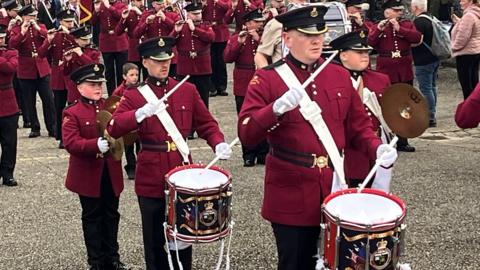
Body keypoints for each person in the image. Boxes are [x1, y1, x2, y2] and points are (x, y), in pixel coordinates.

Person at [237, 6, 398, 269]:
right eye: (307, 35)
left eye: (320, 34)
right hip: (290, 190)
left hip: (334, 187)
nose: (317, 41)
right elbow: (246, 133)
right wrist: (274, 109)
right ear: (287, 38)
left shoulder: (337, 75)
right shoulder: (267, 79)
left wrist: (377, 147)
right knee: (296, 262)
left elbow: (358, 127)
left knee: (339, 261)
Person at [107, 36, 232, 270]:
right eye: (157, 61)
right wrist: (138, 114)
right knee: (155, 239)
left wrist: (218, 143)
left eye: (167, 59)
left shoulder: (186, 89)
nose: (164, 65)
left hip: (182, 170)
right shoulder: (135, 95)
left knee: (183, 235)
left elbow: (207, 124)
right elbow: (113, 127)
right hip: (151, 175)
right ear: (145, 62)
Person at [62, 63, 129, 270]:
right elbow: (70, 142)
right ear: (80, 87)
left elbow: (124, 130)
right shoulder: (72, 112)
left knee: (112, 214)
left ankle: (113, 257)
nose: (98, 87)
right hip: (88, 174)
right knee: (92, 217)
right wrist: (93, 145)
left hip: (110, 171)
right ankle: (96, 261)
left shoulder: (111, 106)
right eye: (92, 84)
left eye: (99, 83)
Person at [330, 30, 394, 189]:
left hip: (375, 146)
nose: (365, 56)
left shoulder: (380, 79)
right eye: (359, 52)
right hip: (349, 151)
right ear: (343, 55)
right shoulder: (332, 81)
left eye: (366, 52)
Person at [367, 0, 422, 152]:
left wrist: (401, 30)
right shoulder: (379, 26)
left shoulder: (406, 24)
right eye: (396, 10)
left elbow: (417, 38)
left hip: (404, 71)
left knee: (405, 105)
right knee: (387, 105)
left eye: (400, 10)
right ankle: (387, 138)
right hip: (386, 71)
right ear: (387, 12)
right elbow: (370, 43)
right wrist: (378, 29)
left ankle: (403, 140)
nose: (400, 13)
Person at [224, 8, 268, 167]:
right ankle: (248, 154)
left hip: (263, 83)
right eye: (256, 22)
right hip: (243, 84)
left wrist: (258, 39)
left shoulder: (265, 38)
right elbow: (227, 58)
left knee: (264, 117)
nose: (259, 25)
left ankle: (264, 153)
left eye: (260, 22)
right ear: (248, 24)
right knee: (246, 120)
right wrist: (239, 43)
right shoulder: (237, 38)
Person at [9, 4, 56, 138]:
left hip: (42, 67)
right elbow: (13, 44)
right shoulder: (17, 29)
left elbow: (49, 37)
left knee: (48, 100)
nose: (33, 18)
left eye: (35, 16)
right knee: (29, 101)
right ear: (24, 16)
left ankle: (52, 127)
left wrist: (36, 27)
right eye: (31, 16)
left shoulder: (40, 27)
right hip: (25, 68)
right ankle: (34, 127)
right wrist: (23, 32)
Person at [37, 9, 77, 148]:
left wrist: (69, 34)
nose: (70, 24)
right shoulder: (55, 35)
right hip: (58, 75)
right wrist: (48, 40)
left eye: (71, 21)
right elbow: (41, 54)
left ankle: (73, 134)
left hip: (72, 74)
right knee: (59, 106)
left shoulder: (76, 34)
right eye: (67, 21)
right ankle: (61, 136)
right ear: (60, 21)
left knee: (73, 106)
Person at [171, 2, 215, 108]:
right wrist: (175, 32)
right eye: (195, 14)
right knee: (185, 100)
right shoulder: (182, 26)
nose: (198, 16)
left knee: (203, 99)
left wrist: (195, 29)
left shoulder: (205, 25)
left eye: (199, 13)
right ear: (188, 14)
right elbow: (170, 43)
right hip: (185, 68)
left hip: (202, 68)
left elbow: (210, 37)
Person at [411, 0, 440, 127]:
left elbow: (415, 40)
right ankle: (432, 113)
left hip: (423, 60)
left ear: (416, 7)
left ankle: (430, 116)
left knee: (426, 88)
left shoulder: (418, 22)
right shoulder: (432, 18)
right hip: (434, 57)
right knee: (432, 86)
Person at [254, 0, 306, 68]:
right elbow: (260, 56)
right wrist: (270, 76)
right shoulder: (276, 24)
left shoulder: (317, 24)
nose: (302, 3)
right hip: (283, 73)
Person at [92, 0, 129, 95]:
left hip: (120, 41)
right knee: (109, 72)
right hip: (106, 41)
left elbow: (121, 16)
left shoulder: (121, 5)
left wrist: (109, 7)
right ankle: (111, 96)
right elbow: (93, 22)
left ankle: (122, 94)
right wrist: (96, 11)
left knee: (121, 71)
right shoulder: (101, 6)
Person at [112, 62, 140, 180]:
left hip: (139, 122)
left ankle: (140, 166)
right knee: (128, 147)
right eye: (131, 75)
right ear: (124, 76)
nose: (135, 77)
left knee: (140, 145)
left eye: (136, 75)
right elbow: (113, 105)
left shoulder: (141, 88)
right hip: (126, 124)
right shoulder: (119, 91)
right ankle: (131, 167)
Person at [63, 25, 102, 105]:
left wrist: (81, 55)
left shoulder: (94, 52)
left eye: (88, 39)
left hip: (89, 85)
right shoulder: (71, 50)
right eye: (84, 39)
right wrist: (67, 61)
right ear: (76, 40)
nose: (87, 41)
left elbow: (94, 67)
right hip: (75, 88)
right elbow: (66, 72)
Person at [0, 25, 19, 187]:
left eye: (1, 37)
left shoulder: (11, 52)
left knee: (9, 142)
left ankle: (8, 173)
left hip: (8, 102)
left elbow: (10, 68)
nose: (0, 40)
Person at [451, 0, 480, 99]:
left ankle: (469, 111)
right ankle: (475, 109)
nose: (460, 2)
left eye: (463, 0)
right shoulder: (475, 13)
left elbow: (463, 37)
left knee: (467, 87)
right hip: (475, 51)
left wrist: (453, 47)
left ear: (470, 1)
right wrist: (459, 22)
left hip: (466, 54)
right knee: (474, 83)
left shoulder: (468, 16)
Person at [202, 0, 231, 97]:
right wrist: (202, 5)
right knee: (210, 61)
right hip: (208, 29)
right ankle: (212, 87)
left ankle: (222, 87)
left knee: (221, 61)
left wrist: (217, 1)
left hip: (221, 31)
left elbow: (228, 7)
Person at [115, 0, 145, 80]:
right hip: (134, 50)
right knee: (134, 78)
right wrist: (123, 18)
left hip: (146, 49)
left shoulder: (147, 12)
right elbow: (118, 32)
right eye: (138, 1)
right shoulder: (129, 13)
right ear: (133, 1)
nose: (141, 3)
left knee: (147, 79)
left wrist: (141, 14)